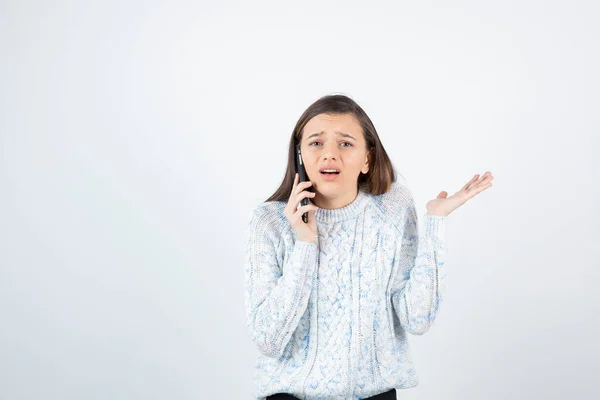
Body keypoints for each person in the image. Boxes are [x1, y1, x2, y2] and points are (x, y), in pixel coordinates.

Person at [243, 94, 494, 400]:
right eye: (316, 143)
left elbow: (417, 319)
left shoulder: (394, 208)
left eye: (345, 143)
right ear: (300, 156)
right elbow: (268, 339)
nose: (329, 154)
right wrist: (305, 243)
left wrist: (436, 222)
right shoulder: (269, 221)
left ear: (367, 159)